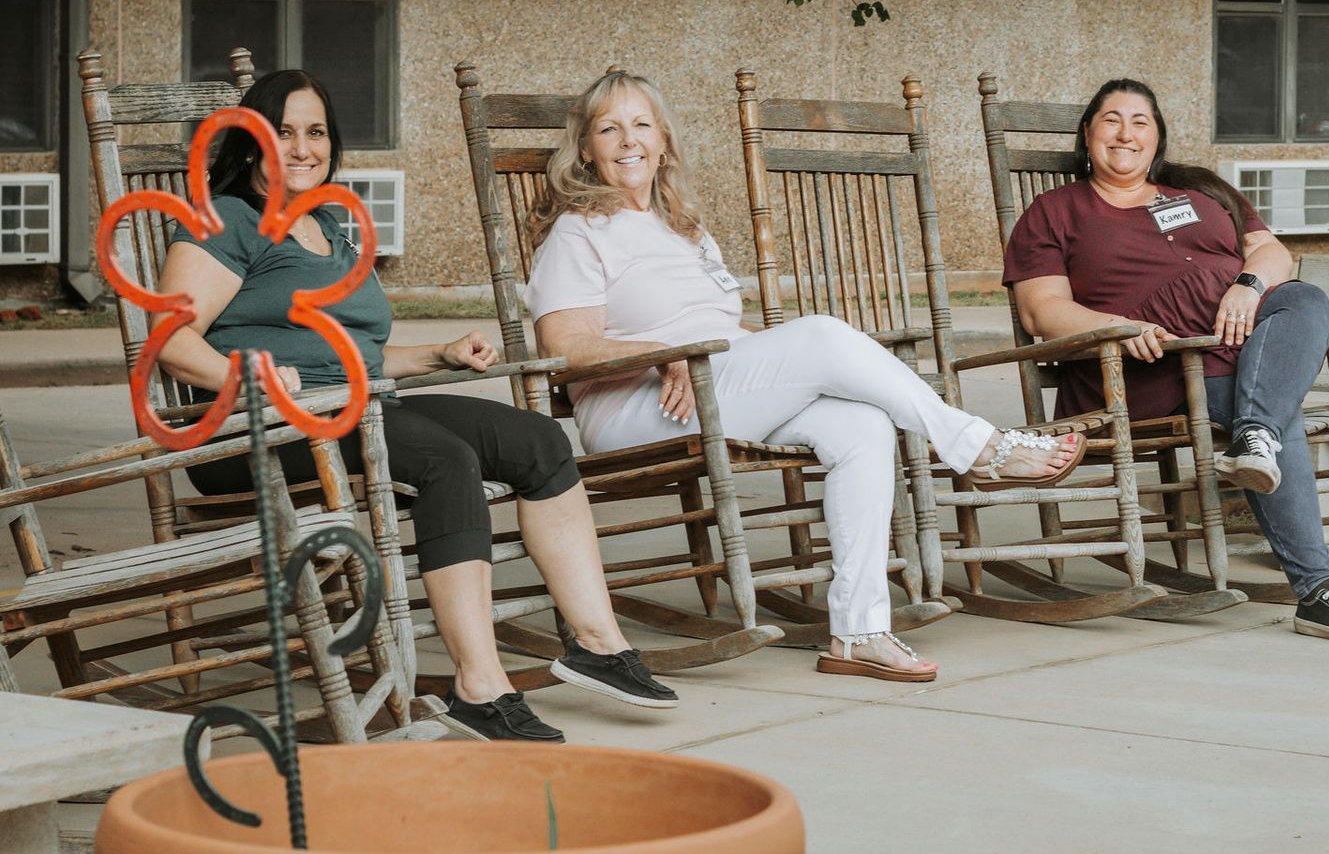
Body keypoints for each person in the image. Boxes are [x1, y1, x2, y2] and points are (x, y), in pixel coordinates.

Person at [157, 70, 678, 742]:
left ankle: (598, 643)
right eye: (281, 132)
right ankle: (479, 684)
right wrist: (248, 374)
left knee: (537, 442)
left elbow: (361, 356)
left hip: (352, 410)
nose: (302, 146)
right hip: (254, 432)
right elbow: (170, 341)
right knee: (443, 460)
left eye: (316, 132)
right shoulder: (227, 219)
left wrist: (440, 354)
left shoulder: (326, 227)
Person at [524, 70, 1086, 684]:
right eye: (608, 128)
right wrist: (664, 352)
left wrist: (750, 354)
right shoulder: (577, 230)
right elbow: (564, 347)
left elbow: (721, 333)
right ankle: (976, 446)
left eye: (640, 125)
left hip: (709, 392)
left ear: (662, 141)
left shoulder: (684, 229)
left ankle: (859, 631)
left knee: (862, 424)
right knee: (820, 333)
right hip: (633, 411)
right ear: (586, 148)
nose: (627, 140)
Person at [1001, 78, 1329, 643]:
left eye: (1140, 121)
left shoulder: (1199, 192)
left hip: (1241, 351)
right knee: (1265, 409)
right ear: (1087, 134)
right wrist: (1119, 326)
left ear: (1157, 137)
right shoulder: (1055, 212)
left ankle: (1255, 437)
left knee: (1304, 298)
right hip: (1149, 369)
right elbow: (1043, 311)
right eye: (1110, 119)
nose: (1125, 132)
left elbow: (1272, 251)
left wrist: (1246, 285)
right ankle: (1317, 588)